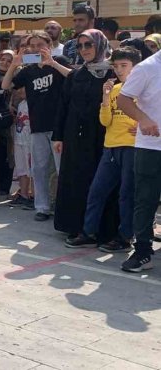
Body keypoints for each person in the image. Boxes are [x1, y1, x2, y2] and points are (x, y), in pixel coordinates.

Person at [65, 46, 142, 252]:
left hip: (133, 148)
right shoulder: (114, 89)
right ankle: (88, 232)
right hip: (110, 147)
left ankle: (126, 237)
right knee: (97, 191)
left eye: (124, 65)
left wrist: (144, 125)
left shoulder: (145, 90)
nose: (118, 70)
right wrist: (106, 98)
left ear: (136, 67)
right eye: (116, 66)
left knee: (126, 194)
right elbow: (105, 120)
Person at [53, 30, 117, 240]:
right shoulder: (77, 74)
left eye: (88, 45)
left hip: (103, 136)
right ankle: (77, 225)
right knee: (76, 179)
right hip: (75, 136)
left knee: (101, 182)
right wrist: (59, 136)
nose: (84, 50)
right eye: (80, 46)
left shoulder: (113, 73)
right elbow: (63, 106)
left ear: (100, 44)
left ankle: (102, 228)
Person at [3, 31, 71, 218]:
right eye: (31, 46)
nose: (35, 49)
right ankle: (42, 207)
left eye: (39, 44)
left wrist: (53, 63)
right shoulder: (28, 70)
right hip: (37, 125)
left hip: (59, 126)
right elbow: (5, 85)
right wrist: (14, 65)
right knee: (39, 169)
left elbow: (74, 77)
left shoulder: (60, 60)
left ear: (48, 45)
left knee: (60, 169)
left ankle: (64, 207)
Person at [116, 43, 161, 272]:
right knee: (145, 200)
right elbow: (123, 99)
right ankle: (143, 251)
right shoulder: (147, 68)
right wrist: (143, 119)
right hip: (151, 147)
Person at [0, 50, 15, 196]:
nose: (5, 63)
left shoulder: (16, 77)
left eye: (9, 61)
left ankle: (4, 185)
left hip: (11, 121)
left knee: (8, 154)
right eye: (2, 59)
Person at [9, 87, 33, 207]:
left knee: (32, 170)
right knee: (21, 169)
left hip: (30, 141)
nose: (19, 91)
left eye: (23, 88)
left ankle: (34, 195)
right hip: (19, 140)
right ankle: (24, 194)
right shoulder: (21, 104)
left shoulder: (34, 103)